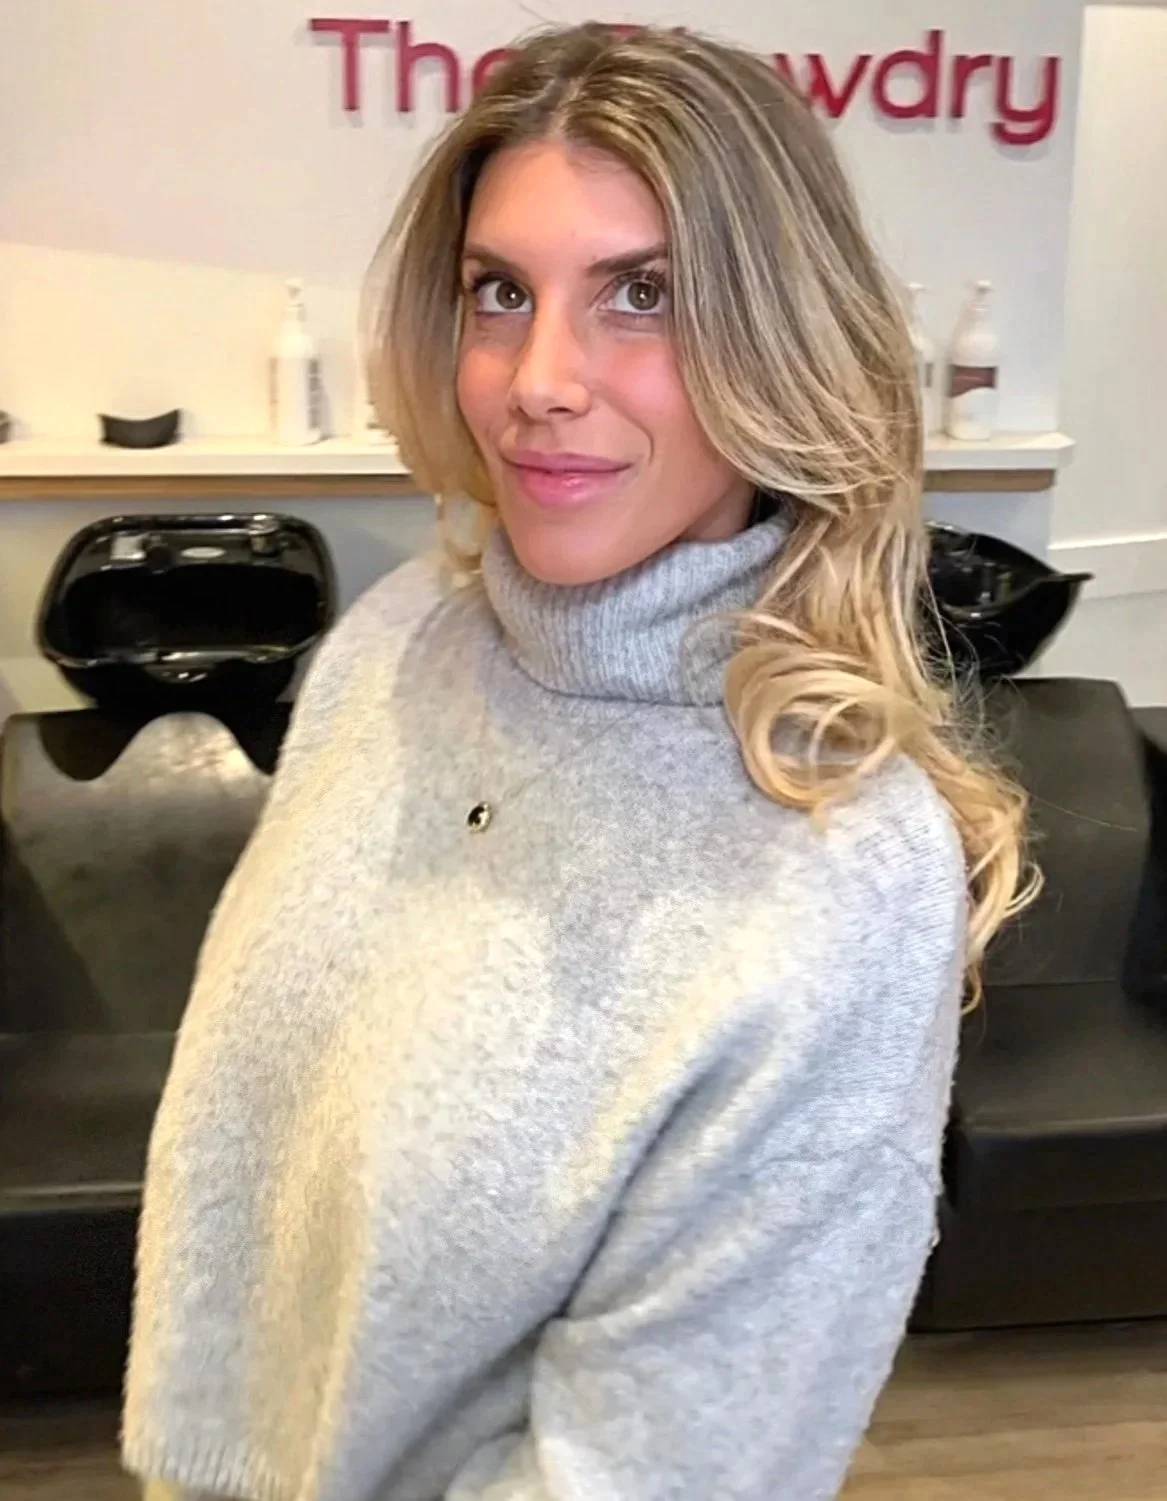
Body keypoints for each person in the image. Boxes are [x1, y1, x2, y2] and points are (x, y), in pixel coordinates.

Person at [123, 23, 1036, 1501]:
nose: (537, 379)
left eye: (642, 294)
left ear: (781, 337)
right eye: (501, 292)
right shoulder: (403, 637)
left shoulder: (834, 870)